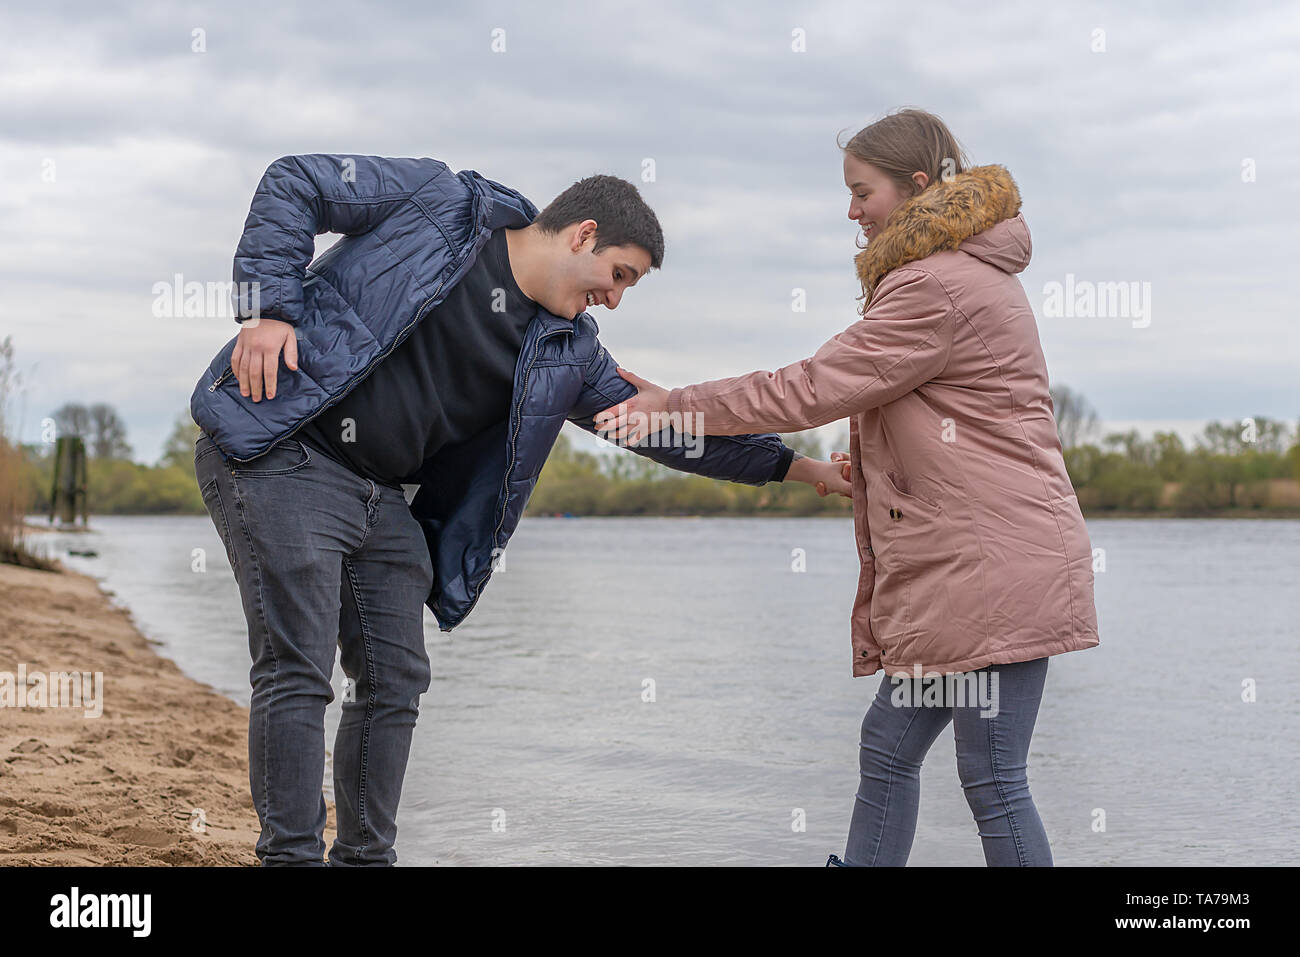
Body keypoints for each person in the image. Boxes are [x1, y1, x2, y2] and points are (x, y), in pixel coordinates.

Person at [190, 153, 851, 866]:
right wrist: (266, 309)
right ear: (582, 234)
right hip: (283, 443)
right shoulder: (440, 205)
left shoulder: (565, 351)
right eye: (620, 275)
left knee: (394, 677)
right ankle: (289, 856)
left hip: (378, 495)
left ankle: (364, 859)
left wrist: (800, 466)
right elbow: (297, 181)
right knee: (299, 663)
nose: (617, 299)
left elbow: (662, 429)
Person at [593, 109, 1100, 866]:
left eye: (863, 192)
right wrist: (857, 471)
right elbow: (933, 418)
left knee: (992, 774)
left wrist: (675, 403)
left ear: (918, 187)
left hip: (996, 567)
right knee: (889, 748)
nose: (851, 209)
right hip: (966, 571)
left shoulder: (937, 285)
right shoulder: (946, 275)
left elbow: (809, 387)